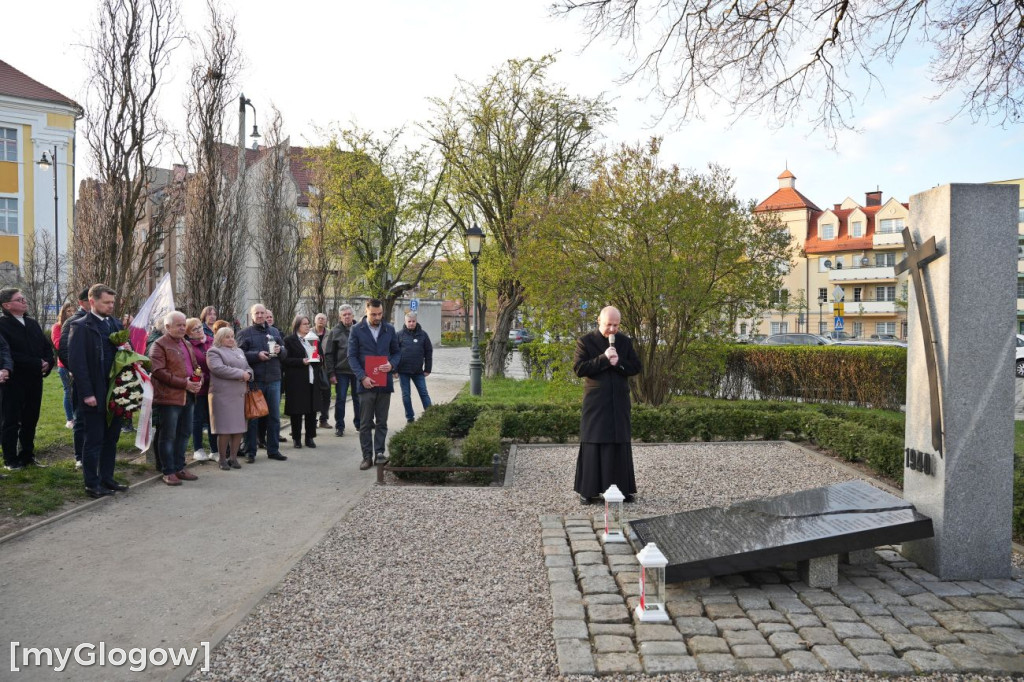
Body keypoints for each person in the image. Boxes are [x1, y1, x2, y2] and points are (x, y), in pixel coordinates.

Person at [573, 306, 642, 505]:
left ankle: (622, 489)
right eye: (608, 325)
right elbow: (579, 368)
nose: (612, 329)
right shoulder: (585, 341)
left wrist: (619, 363)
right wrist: (603, 359)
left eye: (616, 325)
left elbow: (635, 367)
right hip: (596, 402)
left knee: (619, 442)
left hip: (619, 401)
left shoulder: (624, 342)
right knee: (594, 442)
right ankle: (589, 490)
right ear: (599, 321)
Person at [66, 284, 129, 497]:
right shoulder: (81, 326)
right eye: (106, 302)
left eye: (112, 302)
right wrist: (87, 393)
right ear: (92, 302)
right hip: (94, 391)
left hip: (117, 391)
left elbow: (121, 356)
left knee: (112, 438)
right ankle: (91, 484)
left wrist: (127, 350)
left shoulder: (115, 323)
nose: (111, 306)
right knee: (94, 440)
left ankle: (107, 478)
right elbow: (77, 363)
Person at [0, 288, 55, 470]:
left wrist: (48, 361)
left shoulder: (32, 323)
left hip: (34, 379)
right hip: (13, 380)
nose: (24, 301)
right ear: (7, 305)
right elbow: (9, 353)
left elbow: (46, 346)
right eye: (19, 299)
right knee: (11, 420)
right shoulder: (2, 324)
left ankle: (27, 455)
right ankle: (10, 459)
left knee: (31, 417)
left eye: (23, 299)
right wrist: (35, 362)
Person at [150, 311, 202, 486]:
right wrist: (184, 383)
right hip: (169, 397)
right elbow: (158, 372)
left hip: (188, 395)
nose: (182, 328)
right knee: (168, 435)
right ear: (167, 327)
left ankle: (180, 467)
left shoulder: (186, 343)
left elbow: (195, 366)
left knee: (184, 432)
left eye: (183, 324)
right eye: (178, 325)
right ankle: (168, 470)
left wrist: (198, 379)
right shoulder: (159, 345)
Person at [347, 299, 400, 470]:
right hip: (366, 384)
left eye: (380, 314)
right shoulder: (356, 330)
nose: (377, 317)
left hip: (384, 383)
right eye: (373, 314)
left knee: (382, 421)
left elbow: (397, 352)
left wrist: (392, 364)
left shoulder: (389, 329)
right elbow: (351, 356)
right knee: (365, 423)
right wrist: (362, 377)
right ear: (366, 311)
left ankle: (379, 453)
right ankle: (366, 456)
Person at [237, 303, 288, 463]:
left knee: (274, 417)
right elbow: (239, 355)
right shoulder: (244, 333)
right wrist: (256, 355)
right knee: (253, 417)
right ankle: (250, 452)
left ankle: (273, 450)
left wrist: (281, 351)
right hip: (255, 381)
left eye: (262, 313)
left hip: (274, 379)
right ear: (252, 316)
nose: (260, 316)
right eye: (256, 313)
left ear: (266, 314)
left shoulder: (274, 331)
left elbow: (285, 353)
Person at [206, 326, 252, 470]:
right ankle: (222, 459)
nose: (231, 339)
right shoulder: (214, 351)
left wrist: (249, 374)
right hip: (223, 396)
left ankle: (233, 458)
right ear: (220, 338)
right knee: (225, 429)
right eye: (227, 337)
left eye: (232, 336)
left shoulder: (239, 351)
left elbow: (248, 367)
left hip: (239, 395)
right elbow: (218, 369)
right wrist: (241, 374)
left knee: (239, 428)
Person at [59, 288, 91, 469]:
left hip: (101, 379)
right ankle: (80, 456)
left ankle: (95, 452)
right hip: (81, 378)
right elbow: (64, 350)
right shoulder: (73, 322)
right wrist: (77, 371)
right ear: (82, 302)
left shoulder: (105, 321)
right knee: (81, 418)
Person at [282, 315, 322, 449]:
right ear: (297, 325)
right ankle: (297, 438)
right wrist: (301, 361)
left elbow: (320, 358)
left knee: (311, 409)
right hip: (296, 380)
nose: (308, 326)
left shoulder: (313, 339)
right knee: (297, 410)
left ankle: (310, 437)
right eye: (304, 324)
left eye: (308, 323)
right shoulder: (289, 340)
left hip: (312, 379)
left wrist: (319, 358)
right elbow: (285, 360)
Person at [324, 304, 359, 437]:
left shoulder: (359, 329)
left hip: (357, 371)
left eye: (349, 314)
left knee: (358, 399)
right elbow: (329, 354)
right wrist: (331, 373)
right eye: (344, 315)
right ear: (340, 317)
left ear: (353, 315)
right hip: (341, 371)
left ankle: (359, 424)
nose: (347, 317)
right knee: (341, 399)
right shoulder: (335, 331)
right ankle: (340, 426)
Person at [395, 311, 433, 423]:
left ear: (416, 321)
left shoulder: (423, 335)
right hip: (403, 371)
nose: (411, 323)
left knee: (424, 393)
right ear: (405, 322)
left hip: (418, 371)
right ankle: (410, 417)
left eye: (413, 321)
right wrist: (394, 370)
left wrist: (428, 369)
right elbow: (394, 353)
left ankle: (430, 415)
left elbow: (428, 352)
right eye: (409, 321)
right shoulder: (399, 335)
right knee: (406, 395)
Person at [185, 317, 215, 461]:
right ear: (189, 333)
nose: (199, 330)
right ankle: (198, 448)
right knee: (197, 419)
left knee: (213, 419)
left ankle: (215, 450)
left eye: (200, 327)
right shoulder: (189, 346)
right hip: (199, 388)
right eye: (195, 329)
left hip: (214, 386)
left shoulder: (211, 340)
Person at [51, 302, 77, 429]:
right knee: (69, 391)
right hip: (64, 364)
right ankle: (70, 418)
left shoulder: (79, 324)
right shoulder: (57, 327)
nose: (71, 313)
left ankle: (78, 416)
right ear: (63, 312)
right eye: (68, 311)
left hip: (78, 363)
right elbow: (58, 344)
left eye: (73, 310)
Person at [313, 312, 331, 428]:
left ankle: (323, 419)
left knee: (326, 394)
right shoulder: (308, 332)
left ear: (326, 321)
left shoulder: (330, 333)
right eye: (319, 318)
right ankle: (312, 420)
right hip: (312, 368)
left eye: (323, 319)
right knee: (313, 395)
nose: (321, 320)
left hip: (326, 368)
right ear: (315, 320)